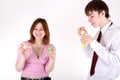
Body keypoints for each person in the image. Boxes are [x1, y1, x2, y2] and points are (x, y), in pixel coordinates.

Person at [78, 0, 120, 80]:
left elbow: (117, 62)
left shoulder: (117, 33)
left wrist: (93, 43)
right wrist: (84, 36)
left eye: (91, 16)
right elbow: (89, 54)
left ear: (102, 13)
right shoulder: (99, 32)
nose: (88, 20)